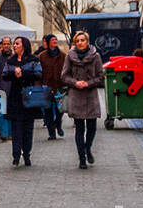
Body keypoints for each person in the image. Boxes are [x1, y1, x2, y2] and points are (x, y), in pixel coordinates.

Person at [62, 30, 105, 170]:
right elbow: (64, 76)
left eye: (82, 40)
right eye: (78, 41)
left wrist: (88, 83)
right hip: (76, 95)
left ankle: (88, 148)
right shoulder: (69, 56)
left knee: (92, 127)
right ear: (75, 43)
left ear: (87, 42)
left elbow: (100, 76)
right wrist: (75, 83)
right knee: (79, 128)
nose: (80, 43)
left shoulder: (96, 56)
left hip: (90, 95)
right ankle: (82, 158)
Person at [1, 36, 42, 168]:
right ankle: (16, 155)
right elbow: (5, 75)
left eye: (17, 43)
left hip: (29, 97)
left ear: (24, 45)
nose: (15, 46)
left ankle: (27, 154)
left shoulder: (33, 60)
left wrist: (23, 73)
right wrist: (14, 74)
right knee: (16, 128)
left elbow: (39, 74)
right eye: (14, 44)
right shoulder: (10, 60)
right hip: (15, 97)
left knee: (28, 128)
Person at [37, 34, 67, 140]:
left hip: (59, 87)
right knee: (48, 111)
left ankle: (58, 125)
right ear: (48, 42)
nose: (55, 41)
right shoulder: (42, 56)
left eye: (56, 39)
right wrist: (39, 86)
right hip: (47, 88)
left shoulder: (63, 56)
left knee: (61, 109)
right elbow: (38, 72)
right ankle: (51, 133)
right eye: (52, 39)